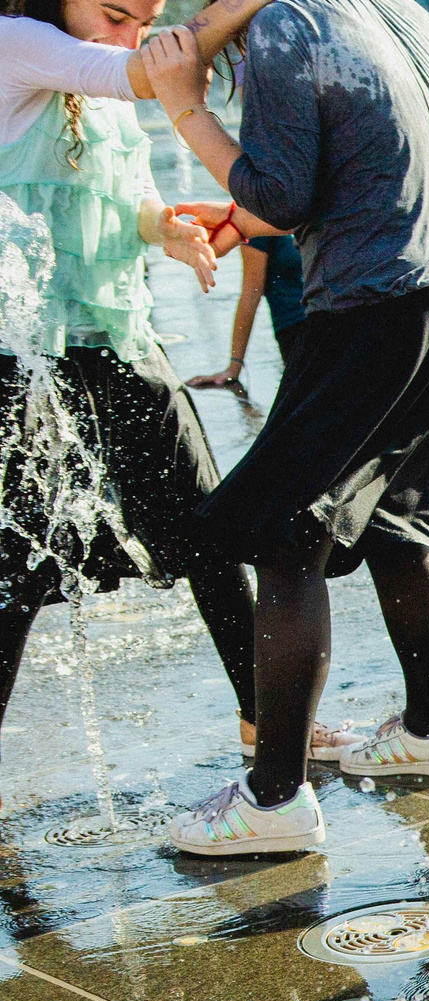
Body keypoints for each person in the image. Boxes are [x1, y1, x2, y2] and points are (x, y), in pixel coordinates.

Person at [146, 0, 429, 850]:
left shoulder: (285, 25)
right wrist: (236, 216)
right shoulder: (399, 8)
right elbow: (379, 163)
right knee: (402, 522)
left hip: (378, 304)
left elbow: (282, 193)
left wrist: (184, 104)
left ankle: (274, 800)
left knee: (284, 537)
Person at [0, 0, 279, 809]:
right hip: (25, 352)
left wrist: (170, 230)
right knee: (19, 566)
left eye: (149, 21)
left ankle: (266, 721)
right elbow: (146, 73)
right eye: (118, 13)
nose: (133, 36)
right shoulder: (18, 42)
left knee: (208, 526)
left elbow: (138, 199)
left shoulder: (109, 83)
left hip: (120, 336)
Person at [187, 231, 306, 389]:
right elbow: (250, 294)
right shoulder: (259, 222)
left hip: (331, 320)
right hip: (296, 330)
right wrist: (234, 366)